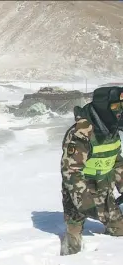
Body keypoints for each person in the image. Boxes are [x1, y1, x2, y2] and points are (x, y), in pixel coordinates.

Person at [60, 83, 123, 256]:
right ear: (104, 107)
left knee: (119, 231)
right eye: (116, 107)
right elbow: (70, 172)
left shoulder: (111, 131)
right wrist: (85, 204)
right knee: (73, 245)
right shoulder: (81, 133)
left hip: (104, 192)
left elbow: (116, 161)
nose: (120, 111)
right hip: (79, 193)